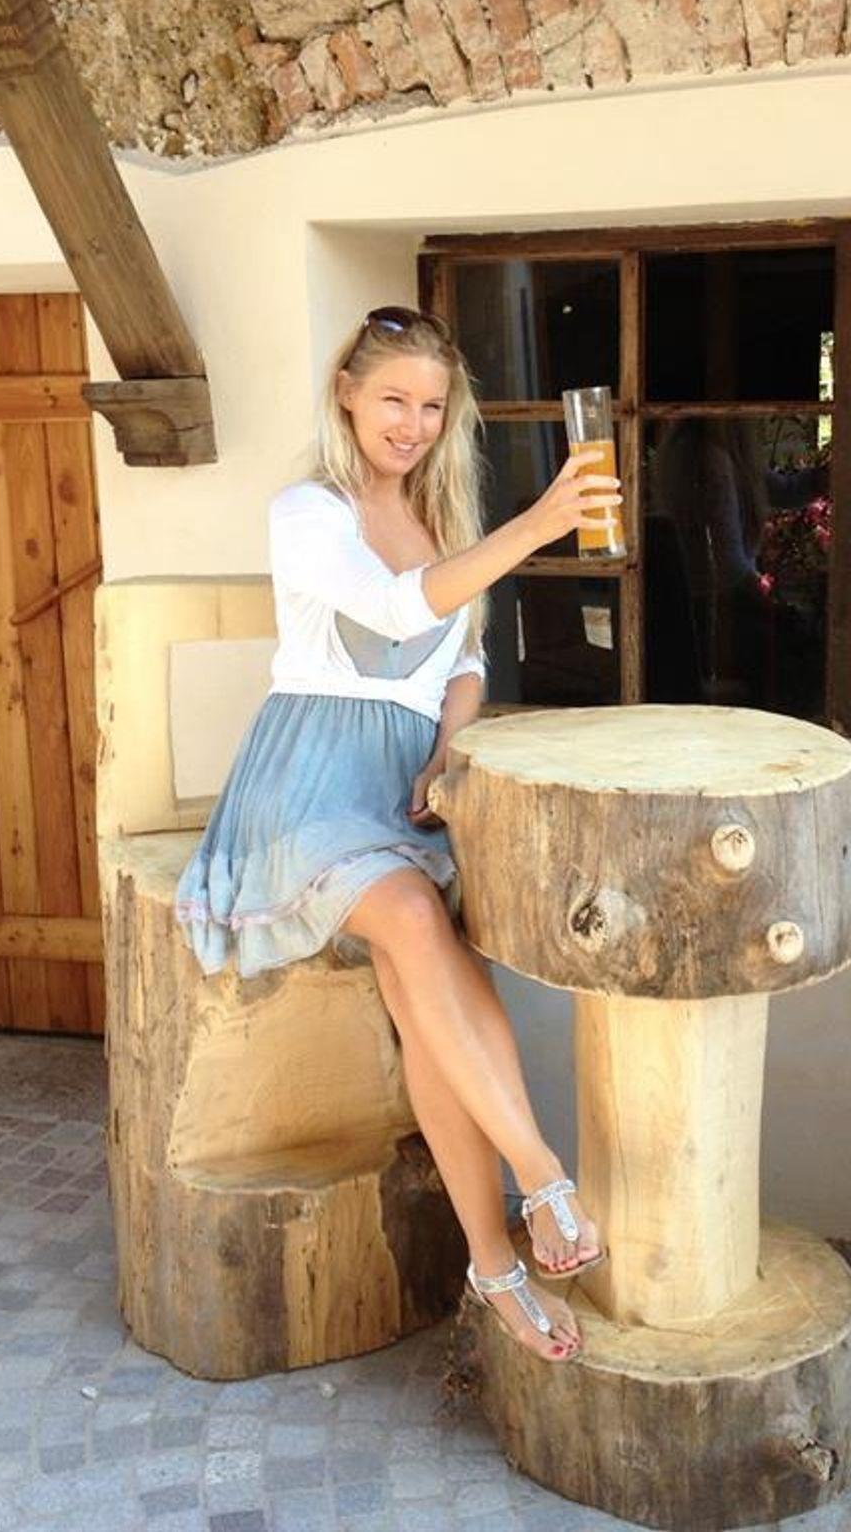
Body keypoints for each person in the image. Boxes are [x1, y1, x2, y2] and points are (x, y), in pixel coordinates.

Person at [174, 306, 619, 1365]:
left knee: (432, 1002)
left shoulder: (439, 515)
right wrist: (536, 527)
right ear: (346, 393)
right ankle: (541, 1178)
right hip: (310, 783)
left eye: (430, 405)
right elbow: (389, 610)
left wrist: (445, 755)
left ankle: (493, 1267)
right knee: (417, 921)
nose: (411, 424)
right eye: (392, 399)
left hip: (403, 787)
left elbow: (463, 661)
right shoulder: (307, 510)